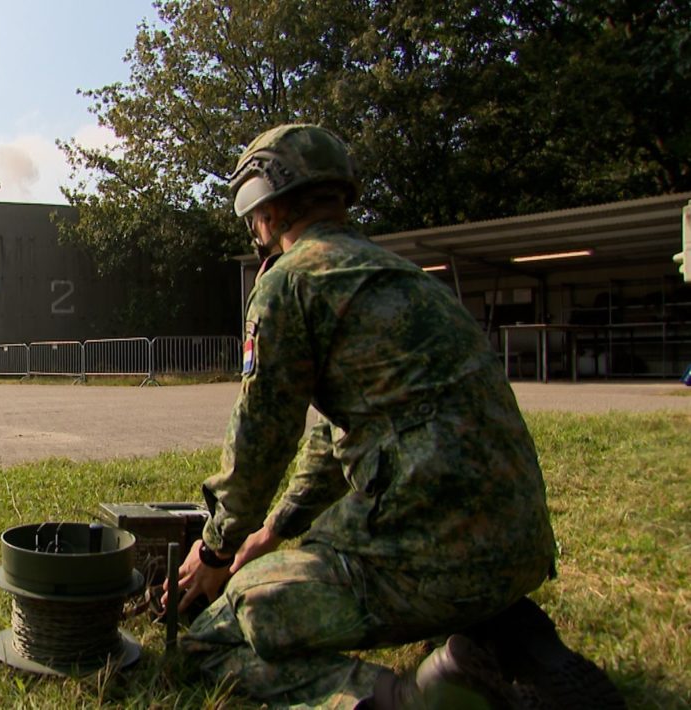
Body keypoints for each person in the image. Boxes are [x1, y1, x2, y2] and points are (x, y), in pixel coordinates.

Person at [167, 125, 623, 708]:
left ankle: (408, 697)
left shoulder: (289, 282)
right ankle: (513, 641)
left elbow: (259, 440)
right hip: (516, 547)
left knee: (216, 637)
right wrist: (273, 532)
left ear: (266, 203)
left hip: (425, 546)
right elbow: (338, 437)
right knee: (421, 585)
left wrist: (216, 552)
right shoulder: (400, 276)